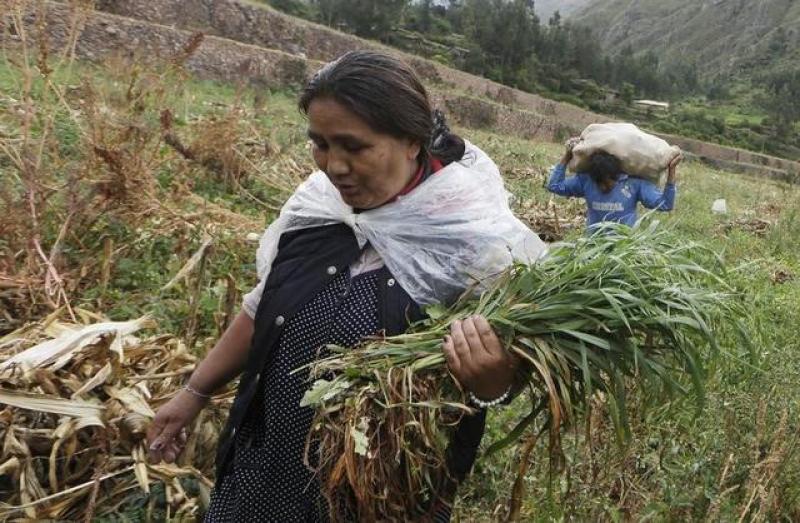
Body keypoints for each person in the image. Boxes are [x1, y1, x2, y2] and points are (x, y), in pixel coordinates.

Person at [146, 51, 546, 521]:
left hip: (381, 496)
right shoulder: (318, 208)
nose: (333, 166)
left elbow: (513, 369)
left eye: (353, 147)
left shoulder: (475, 243)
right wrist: (193, 393)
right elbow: (264, 307)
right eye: (320, 143)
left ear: (412, 142)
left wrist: (492, 382)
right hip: (265, 469)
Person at [546, 138, 682, 227]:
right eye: (598, 183)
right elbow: (554, 186)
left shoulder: (633, 184)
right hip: (592, 247)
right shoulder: (586, 181)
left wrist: (671, 170)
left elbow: (665, 205)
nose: (603, 187)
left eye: (607, 182)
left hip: (623, 249)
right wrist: (567, 155)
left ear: (617, 176)